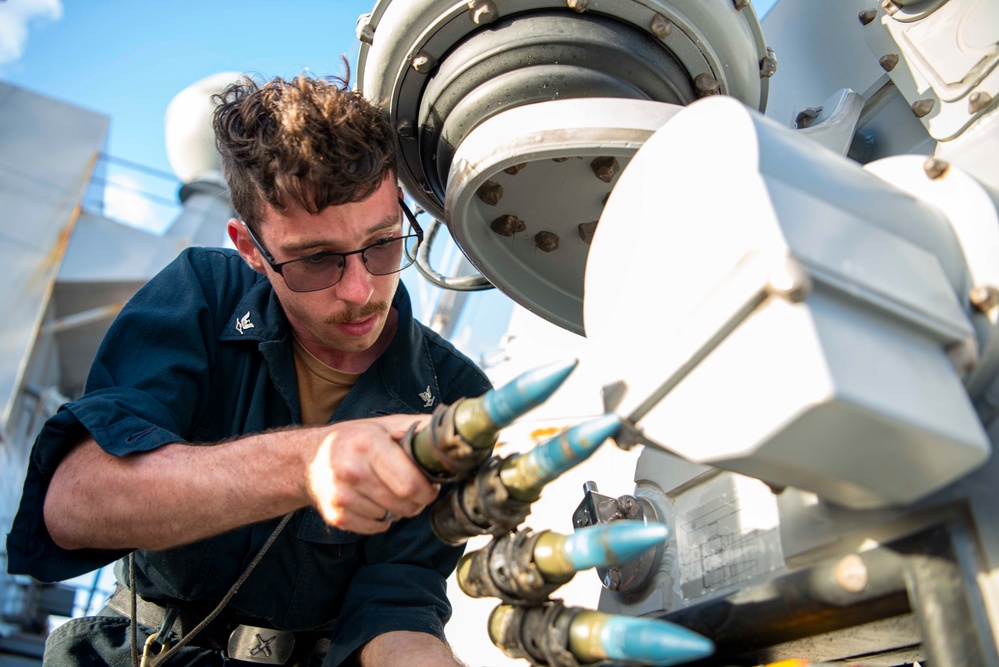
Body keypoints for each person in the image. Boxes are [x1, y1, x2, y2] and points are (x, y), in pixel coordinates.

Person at [6, 72, 492, 666]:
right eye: (316, 260)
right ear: (249, 249)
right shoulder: (200, 295)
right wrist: (309, 463)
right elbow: (74, 504)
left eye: (384, 244)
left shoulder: (457, 395)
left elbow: (398, 612)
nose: (362, 290)